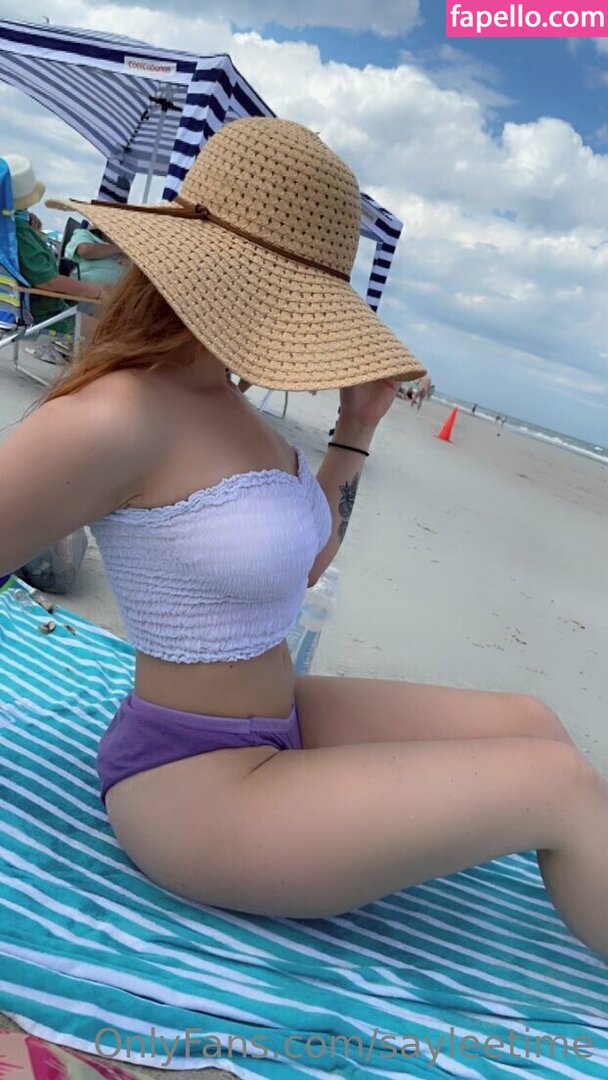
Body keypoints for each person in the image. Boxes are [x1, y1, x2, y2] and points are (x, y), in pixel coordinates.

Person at [1, 118, 606, 960]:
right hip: (192, 789)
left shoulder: (231, 407)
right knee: (559, 788)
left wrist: (357, 427)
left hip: (277, 718)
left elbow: (303, 562)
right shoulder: (116, 415)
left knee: (534, 724)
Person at [5, 155, 108, 362]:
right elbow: (47, 281)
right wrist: (95, 291)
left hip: (37, 307)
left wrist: (34, 234)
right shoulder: (19, 233)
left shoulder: (10, 228)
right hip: (45, 315)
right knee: (112, 335)